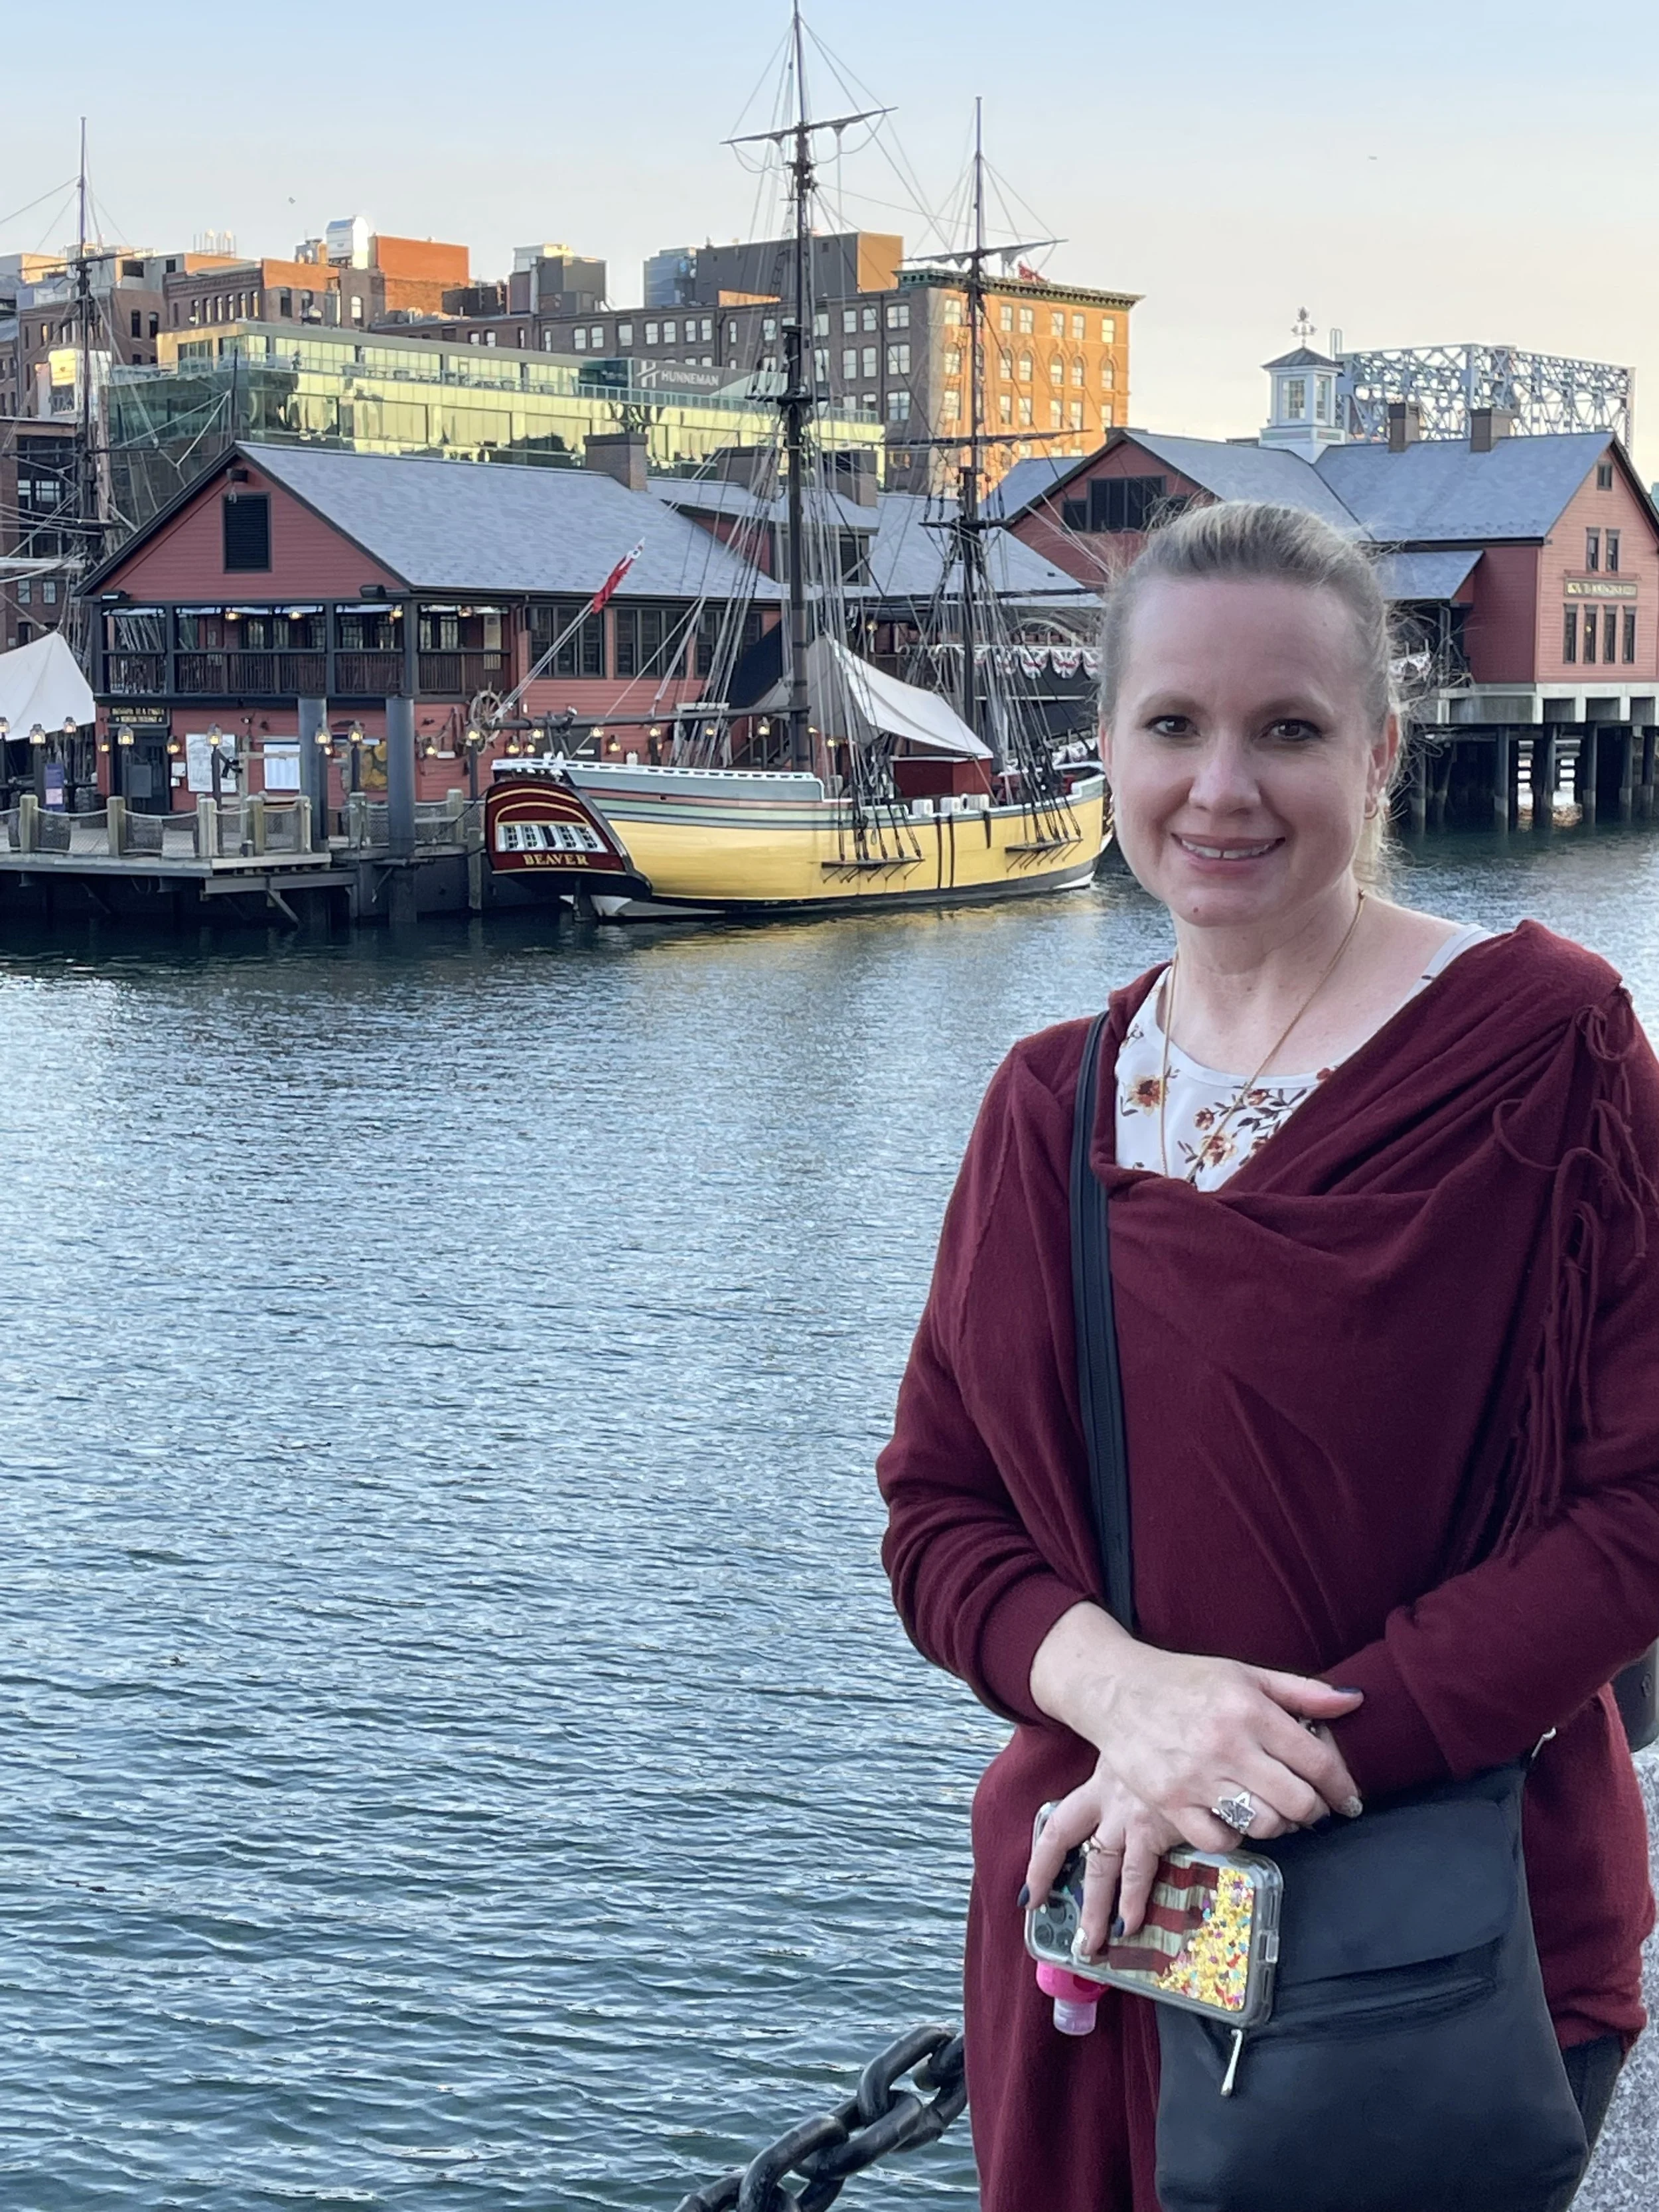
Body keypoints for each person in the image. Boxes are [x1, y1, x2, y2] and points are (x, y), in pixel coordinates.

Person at [877, 500, 1659, 2212]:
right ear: (1107, 746)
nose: (1221, 789)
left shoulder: (1548, 1047)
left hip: (1444, 1925)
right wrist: (1128, 1699)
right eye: (1173, 725)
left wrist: (1273, 1763)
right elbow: (938, 1520)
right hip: (1099, 1907)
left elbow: (1639, 1511)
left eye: (1287, 730)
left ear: (1381, 750)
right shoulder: (1046, 1109)